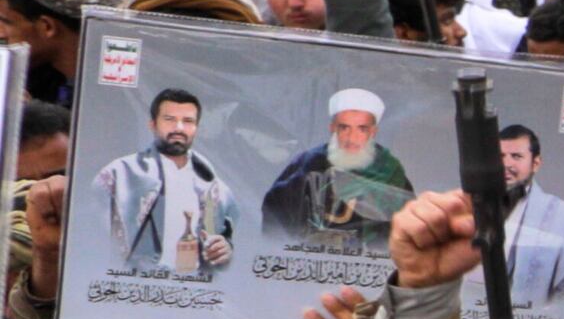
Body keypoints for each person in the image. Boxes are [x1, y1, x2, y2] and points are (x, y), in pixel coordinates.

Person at [91, 83, 234, 276]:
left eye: (188, 121)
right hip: (133, 283)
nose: (179, 128)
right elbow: (92, 238)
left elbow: (229, 236)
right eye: (169, 119)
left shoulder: (212, 181)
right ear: (153, 125)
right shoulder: (117, 174)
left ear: (196, 128)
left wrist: (225, 248)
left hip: (196, 286)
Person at [262, 86, 419, 245]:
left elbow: (408, 228)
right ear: (332, 128)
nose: (352, 138)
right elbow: (275, 217)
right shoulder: (307, 164)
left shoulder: (390, 172)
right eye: (344, 128)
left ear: (373, 132)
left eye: (362, 129)